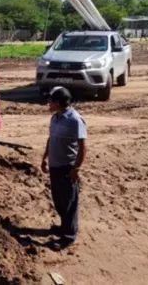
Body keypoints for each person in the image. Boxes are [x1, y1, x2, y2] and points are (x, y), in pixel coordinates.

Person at [41, 86, 87, 251]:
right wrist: (45, 158)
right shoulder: (55, 118)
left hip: (67, 167)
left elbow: (82, 147)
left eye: (51, 100)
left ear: (58, 102)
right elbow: (50, 139)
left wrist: (76, 168)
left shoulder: (75, 120)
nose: (48, 103)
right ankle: (64, 227)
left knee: (69, 202)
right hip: (55, 166)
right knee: (58, 199)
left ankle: (68, 236)